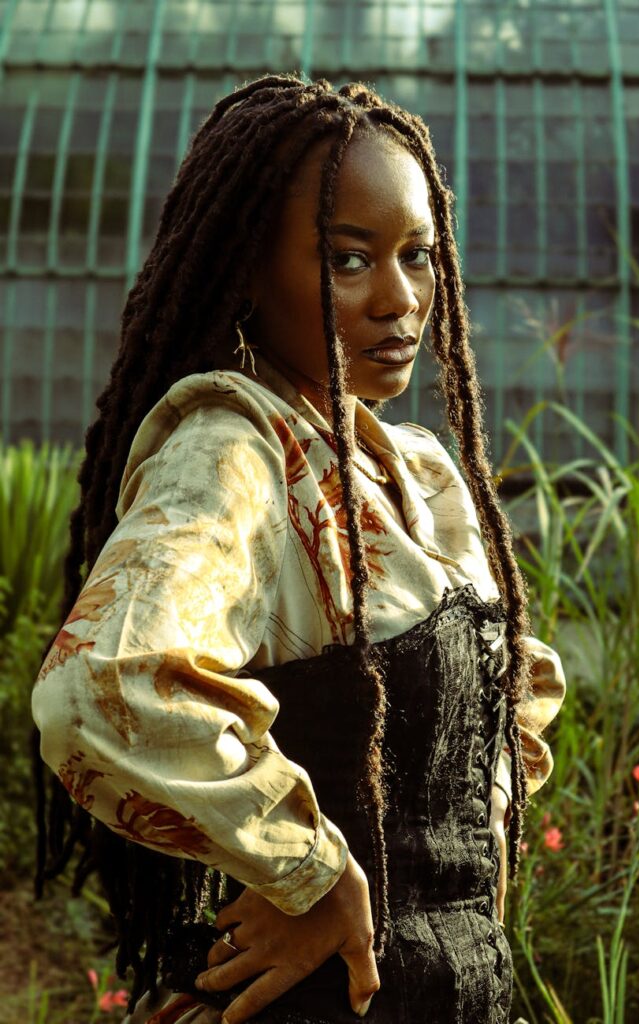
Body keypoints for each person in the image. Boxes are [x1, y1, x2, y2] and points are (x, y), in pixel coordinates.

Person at [31, 73, 565, 1024]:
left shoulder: (422, 472)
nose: (400, 298)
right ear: (248, 269)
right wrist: (310, 872)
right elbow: (102, 688)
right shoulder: (235, 453)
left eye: (419, 254)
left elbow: (493, 731)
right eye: (349, 260)